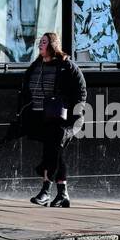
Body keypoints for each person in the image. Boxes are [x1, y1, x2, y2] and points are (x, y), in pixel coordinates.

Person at [19, 32, 86, 208]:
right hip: (41, 117)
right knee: (56, 153)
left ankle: (46, 192)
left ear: (52, 45)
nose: (40, 45)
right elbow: (26, 89)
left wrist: (75, 114)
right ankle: (62, 194)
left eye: (44, 42)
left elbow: (81, 90)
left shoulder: (66, 66)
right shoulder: (36, 65)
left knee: (51, 152)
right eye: (39, 42)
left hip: (62, 118)